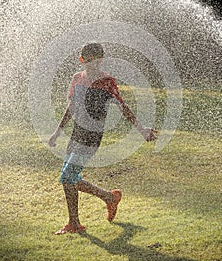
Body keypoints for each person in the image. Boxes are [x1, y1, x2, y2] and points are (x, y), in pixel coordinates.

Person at [48, 43, 157, 234]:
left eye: (96, 61)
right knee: (71, 178)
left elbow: (123, 107)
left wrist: (142, 130)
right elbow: (71, 108)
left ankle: (74, 224)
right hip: (76, 135)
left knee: (68, 177)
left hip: (91, 137)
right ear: (82, 60)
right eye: (88, 61)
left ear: (102, 60)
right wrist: (57, 132)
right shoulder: (77, 79)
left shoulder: (107, 81)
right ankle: (109, 198)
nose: (92, 65)